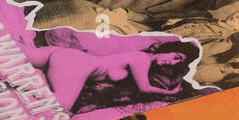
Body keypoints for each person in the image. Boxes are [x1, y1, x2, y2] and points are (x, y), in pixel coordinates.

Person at [22, 37, 200, 114]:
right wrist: (171, 92)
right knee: (60, 105)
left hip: (70, 58)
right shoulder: (141, 59)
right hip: (78, 64)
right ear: (169, 50)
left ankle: (16, 72)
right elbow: (144, 88)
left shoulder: (142, 60)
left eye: (177, 64)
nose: (172, 63)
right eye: (176, 57)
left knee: (18, 54)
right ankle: (18, 81)